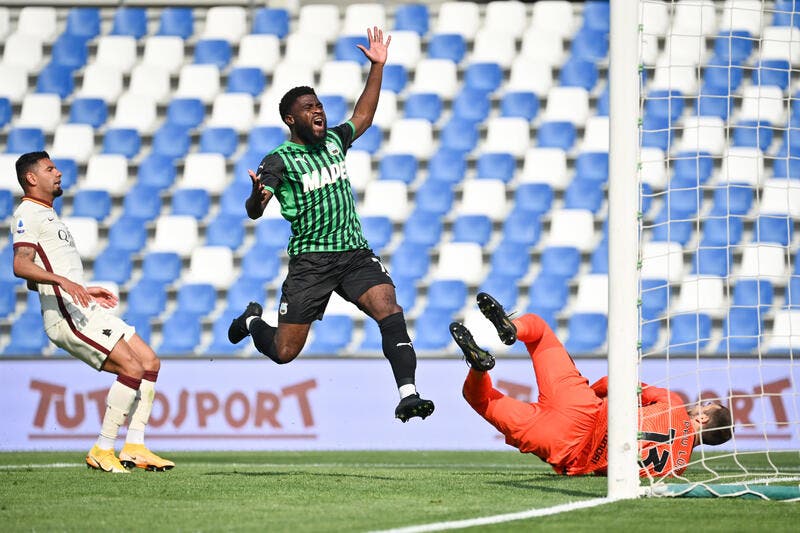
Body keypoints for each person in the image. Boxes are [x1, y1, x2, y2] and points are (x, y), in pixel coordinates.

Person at [228, 27, 434, 423]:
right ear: (291, 119)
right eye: (308, 107)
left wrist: (377, 66)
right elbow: (255, 211)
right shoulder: (278, 160)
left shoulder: (335, 141)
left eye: (319, 104)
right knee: (285, 352)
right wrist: (256, 196)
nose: (317, 110)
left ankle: (408, 393)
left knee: (389, 309)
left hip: (354, 253)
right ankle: (252, 321)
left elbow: (364, 115)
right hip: (311, 263)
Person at [449, 292, 733, 477]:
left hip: (584, 409)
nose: (702, 402)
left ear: (704, 418)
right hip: (564, 447)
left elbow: (615, 384)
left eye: (708, 403)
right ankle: (478, 367)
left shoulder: (674, 403)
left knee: (538, 332)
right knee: (480, 399)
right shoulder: (676, 469)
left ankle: (513, 329)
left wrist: (588, 395)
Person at [12, 151, 174, 474]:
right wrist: (62, 283)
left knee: (149, 362)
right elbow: (21, 266)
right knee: (130, 365)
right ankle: (102, 448)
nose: (58, 173)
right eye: (49, 169)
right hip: (66, 316)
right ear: (32, 178)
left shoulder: (49, 216)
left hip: (81, 305)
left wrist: (83, 289)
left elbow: (38, 278)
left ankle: (135, 446)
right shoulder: (27, 213)